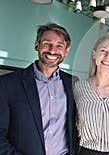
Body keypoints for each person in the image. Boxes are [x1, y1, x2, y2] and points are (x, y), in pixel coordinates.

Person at [0, 23, 78, 154]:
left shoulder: (74, 83)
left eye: (59, 46)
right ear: (37, 45)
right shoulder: (7, 84)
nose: (52, 51)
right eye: (47, 44)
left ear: (66, 51)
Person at [73, 36, 109, 155]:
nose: (107, 57)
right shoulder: (78, 87)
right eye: (103, 51)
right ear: (94, 54)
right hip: (88, 152)